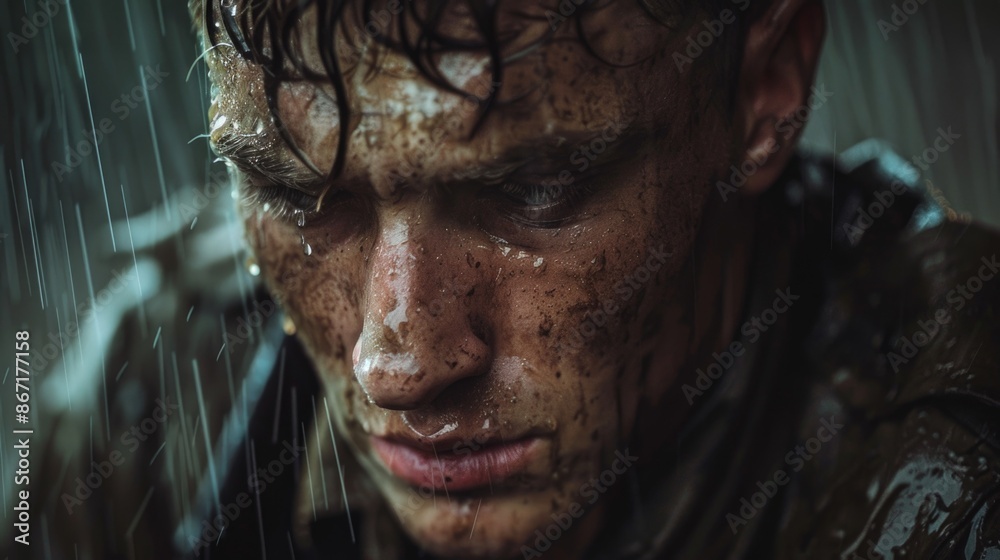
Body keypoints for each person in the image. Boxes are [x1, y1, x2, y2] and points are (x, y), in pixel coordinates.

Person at [28, 0, 1000, 559]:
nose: (398, 363)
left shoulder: (965, 464)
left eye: (535, 190)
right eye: (296, 192)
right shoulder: (157, 398)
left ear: (764, 89)